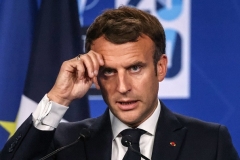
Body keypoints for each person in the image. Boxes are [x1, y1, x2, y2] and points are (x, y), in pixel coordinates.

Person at [0, 6, 239, 160]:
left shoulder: (209, 142)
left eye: (135, 68)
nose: (122, 87)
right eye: (108, 71)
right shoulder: (64, 141)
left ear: (161, 67)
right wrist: (58, 98)